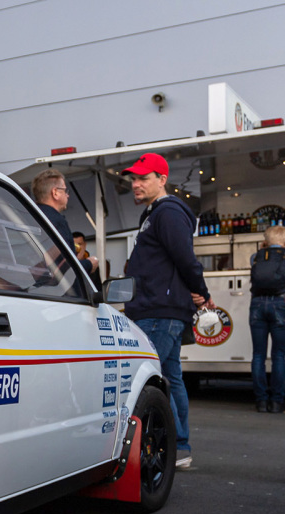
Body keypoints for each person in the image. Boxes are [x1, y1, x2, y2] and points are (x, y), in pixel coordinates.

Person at [120, 153, 214, 470]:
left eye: (143, 178)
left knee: (156, 380)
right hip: (161, 308)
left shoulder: (168, 212)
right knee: (170, 378)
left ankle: (172, 448)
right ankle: (181, 447)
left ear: (162, 179)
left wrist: (202, 289)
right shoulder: (156, 213)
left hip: (160, 310)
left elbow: (185, 258)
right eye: (134, 178)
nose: (136, 183)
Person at [250, 226, 285, 413]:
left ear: (265, 241)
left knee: (258, 355)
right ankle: (276, 402)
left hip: (257, 304)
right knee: (278, 355)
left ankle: (260, 401)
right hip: (281, 304)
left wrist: (264, 248)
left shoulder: (256, 256)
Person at [30, 168, 99, 284]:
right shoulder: (58, 222)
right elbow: (63, 270)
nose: (67, 196)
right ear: (55, 193)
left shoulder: (31, 217)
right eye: (65, 191)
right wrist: (89, 264)